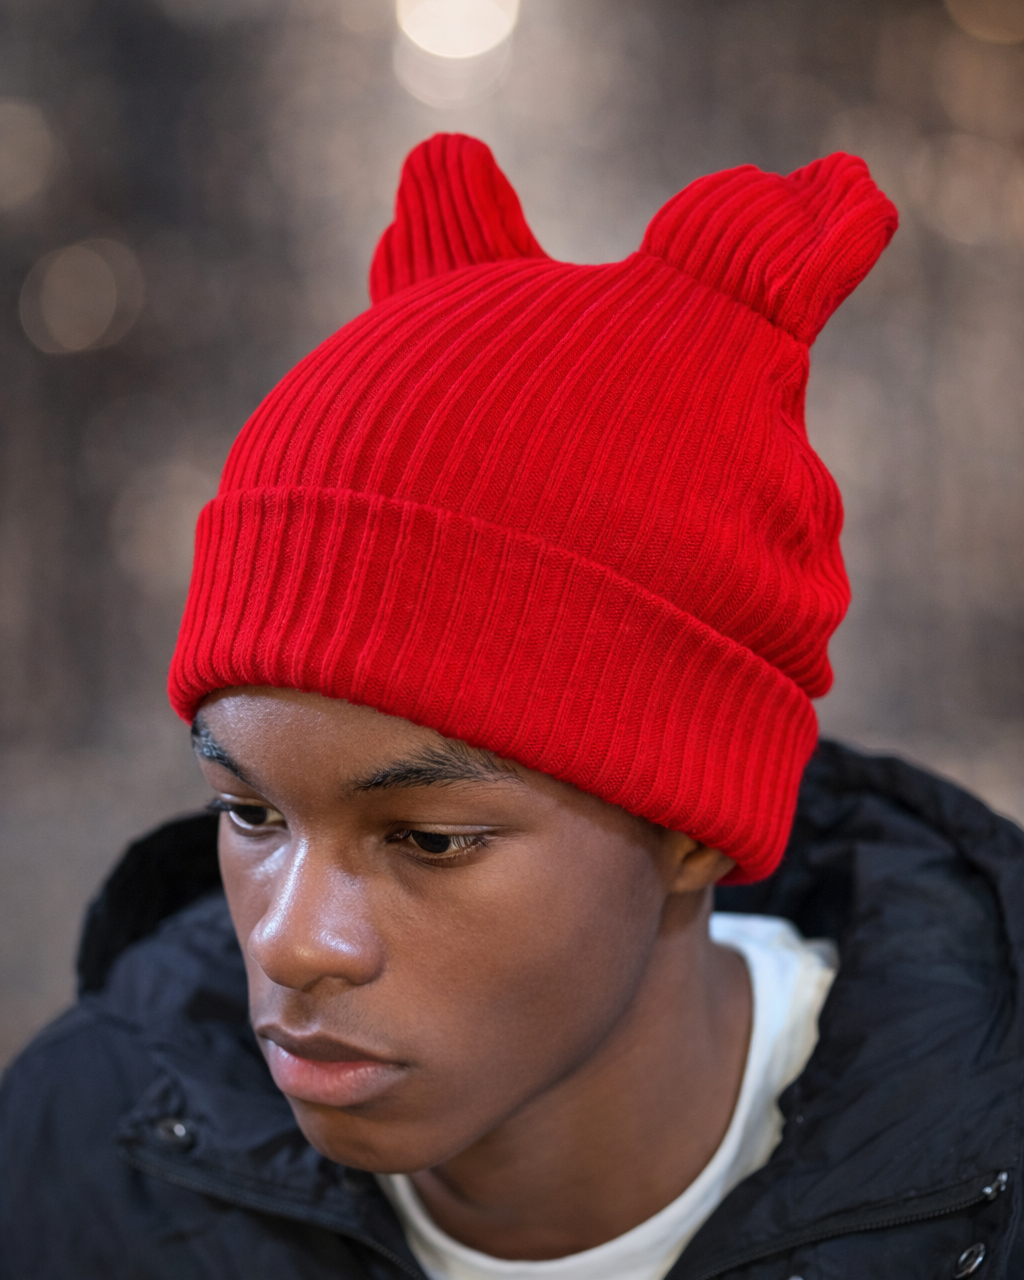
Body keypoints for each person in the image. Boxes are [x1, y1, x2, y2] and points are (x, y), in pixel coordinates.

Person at [1, 134, 1021, 1280]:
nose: (291, 940)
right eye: (250, 813)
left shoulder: (989, 1181)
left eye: (430, 837)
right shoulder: (78, 1151)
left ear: (691, 829)